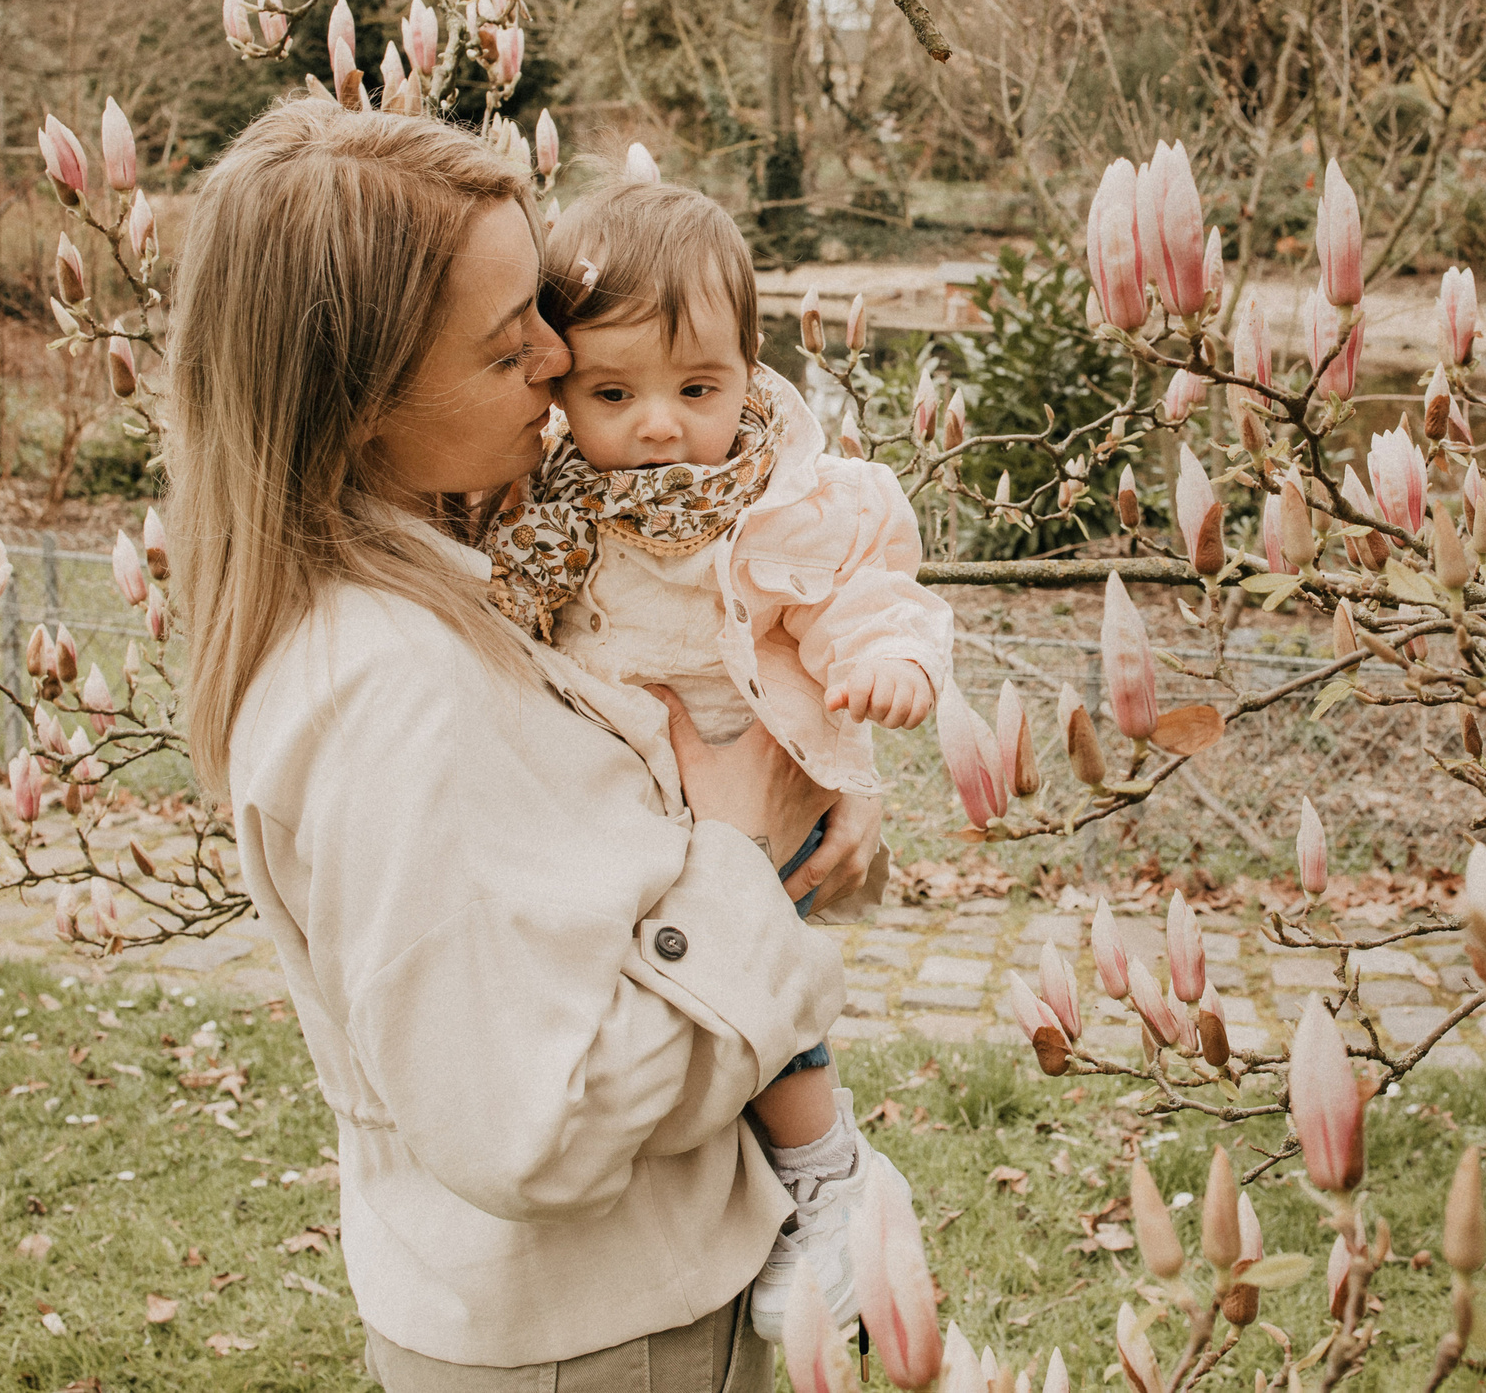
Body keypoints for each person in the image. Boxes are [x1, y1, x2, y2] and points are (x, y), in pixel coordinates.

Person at [168, 98, 880, 1390]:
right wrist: (739, 855)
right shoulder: (391, 692)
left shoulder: (466, 581)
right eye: (510, 350)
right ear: (363, 401)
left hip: (619, 1301)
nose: (558, 365)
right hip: (594, 1339)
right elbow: (530, 1120)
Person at [481, 178, 951, 1337]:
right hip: (626, 813)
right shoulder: (547, 509)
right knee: (674, 1011)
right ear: (559, 384)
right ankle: (755, 1197)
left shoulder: (784, 499)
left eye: (699, 388)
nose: (659, 424)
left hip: (750, 777)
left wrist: (887, 665)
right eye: (614, 391)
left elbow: (865, 590)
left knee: (762, 1000)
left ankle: (829, 1176)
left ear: (750, 367)